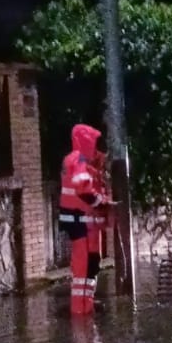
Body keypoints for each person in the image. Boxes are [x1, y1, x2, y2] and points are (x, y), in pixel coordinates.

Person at [58, 123, 109, 315]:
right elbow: (83, 189)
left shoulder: (83, 162)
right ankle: (80, 313)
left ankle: (86, 307)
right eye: (93, 143)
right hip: (78, 221)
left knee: (91, 265)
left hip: (84, 223)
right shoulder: (76, 160)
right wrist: (101, 202)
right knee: (83, 267)